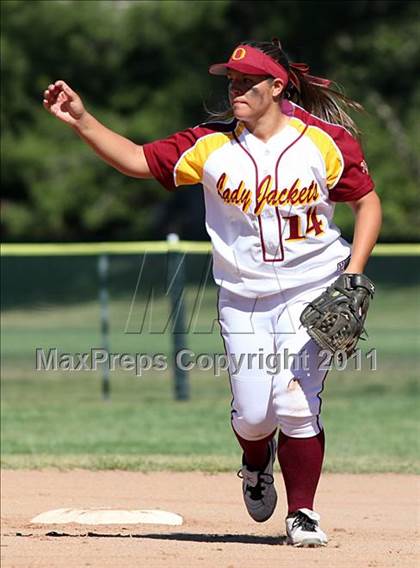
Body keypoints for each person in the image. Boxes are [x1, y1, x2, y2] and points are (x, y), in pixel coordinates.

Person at [43, 39, 382, 547]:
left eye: (248, 81)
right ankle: (254, 463)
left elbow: (368, 203)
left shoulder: (323, 142)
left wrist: (352, 274)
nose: (237, 88)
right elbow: (138, 160)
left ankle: (303, 513)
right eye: (232, 80)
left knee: (295, 403)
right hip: (241, 295)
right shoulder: (211, 144)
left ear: (277, 85)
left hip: (313, 288)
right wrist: (83, 120)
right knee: (253, 416)